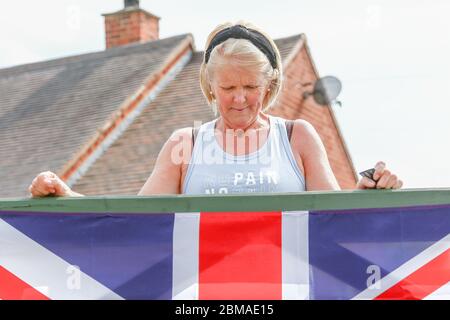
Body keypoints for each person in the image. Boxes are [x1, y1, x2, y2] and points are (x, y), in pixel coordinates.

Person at [28, 22, 403, 198]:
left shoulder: (299, 137)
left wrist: (372, 190)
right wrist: (66, 197)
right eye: (228, 88)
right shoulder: (184, 144)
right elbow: (132, 220)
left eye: (250, 87)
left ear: (269, 85)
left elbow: (335, 219)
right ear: (210, 86)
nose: (239, 99)